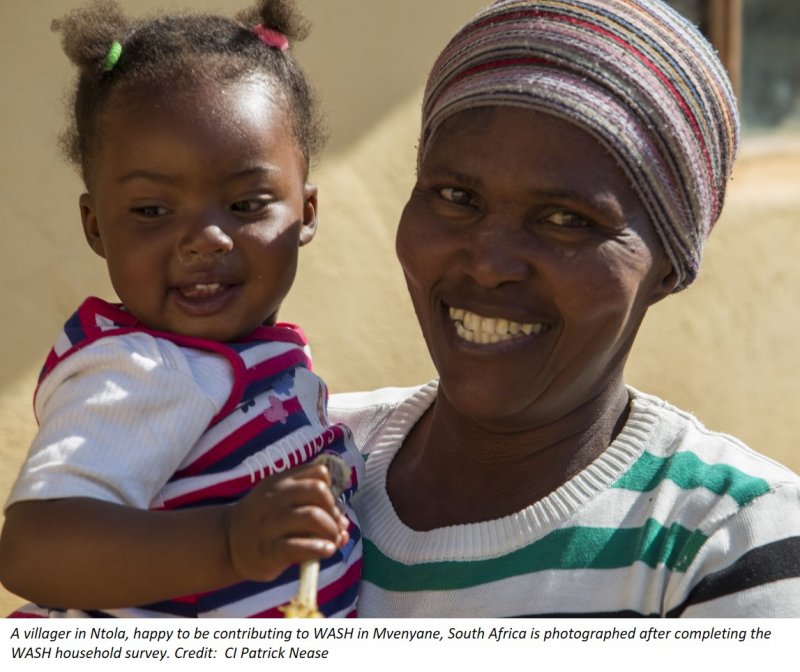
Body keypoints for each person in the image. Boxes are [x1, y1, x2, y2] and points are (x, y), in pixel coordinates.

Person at [332, 0, 800, 617]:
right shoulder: (291, 454)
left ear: (668, 262)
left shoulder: (730, 544)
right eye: (455, 196)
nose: (490, 262)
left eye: (566, 220)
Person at [0, 0, 363, 618]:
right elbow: (33, 551)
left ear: (306, 213)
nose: (205, 239)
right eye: (151, 211)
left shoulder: (255, 358)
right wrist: (229, 543)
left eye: (247, 205)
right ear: (96, 227)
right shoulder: (141, 369)